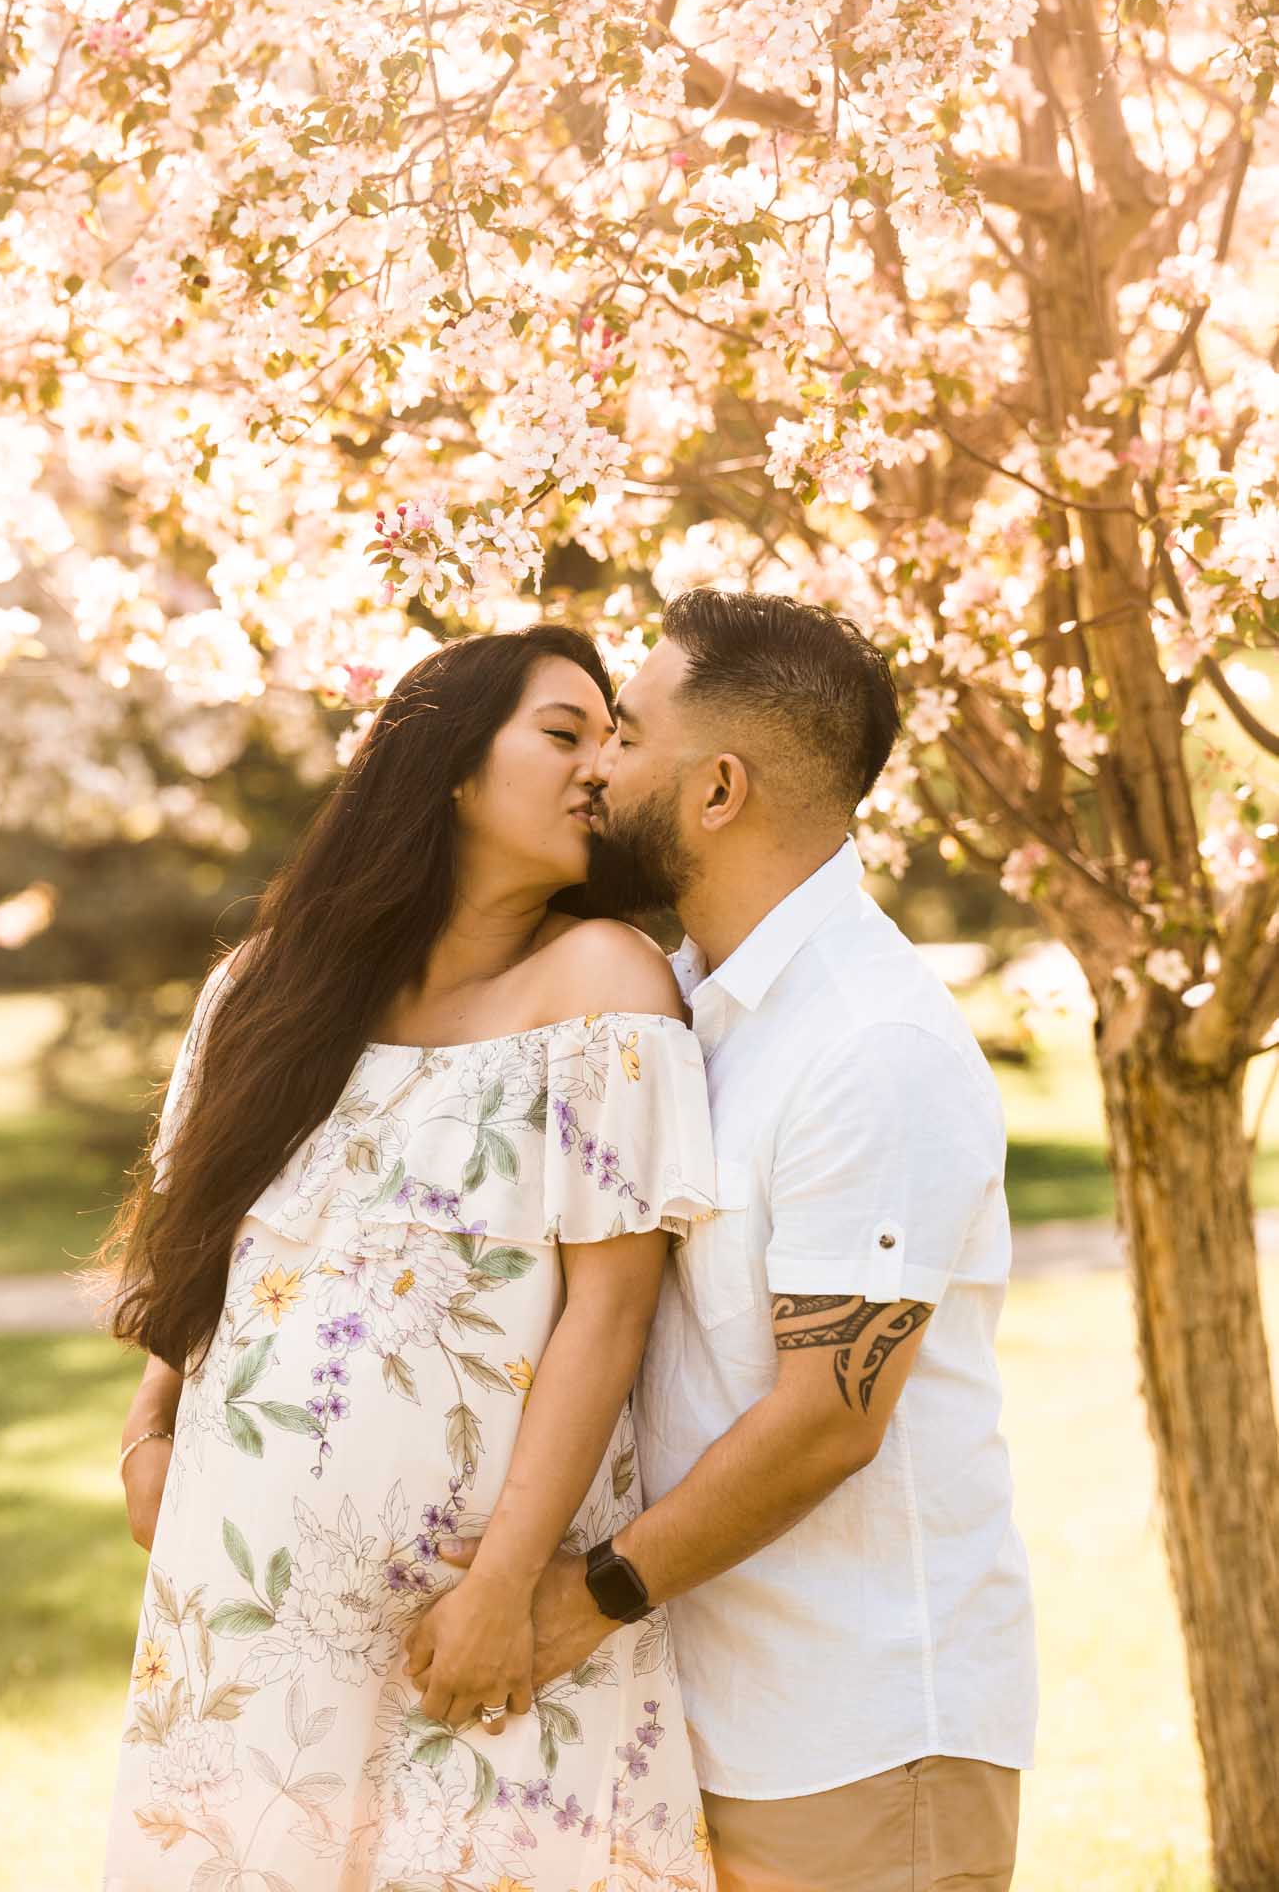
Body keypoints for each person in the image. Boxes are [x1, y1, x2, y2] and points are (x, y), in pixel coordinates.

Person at [100, 624, 720, 1892]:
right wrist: (146, 1426)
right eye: (564, 732)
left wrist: (503, 1590)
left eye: (613, 737)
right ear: (444, 761)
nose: (600, 766)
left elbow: (608, 1316)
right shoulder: (264, 990)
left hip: (466, 1625)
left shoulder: (603, 983)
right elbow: (204, 1240)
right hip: (243, 1611)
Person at [436, 590, 1039, 1892]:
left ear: (716, 790)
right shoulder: (698, 1004)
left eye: (627, 736)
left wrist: (568, 1603)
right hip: (698, 1715)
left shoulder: (867, 1043)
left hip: (857, 1740)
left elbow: (828, 1414)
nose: (594, 767)